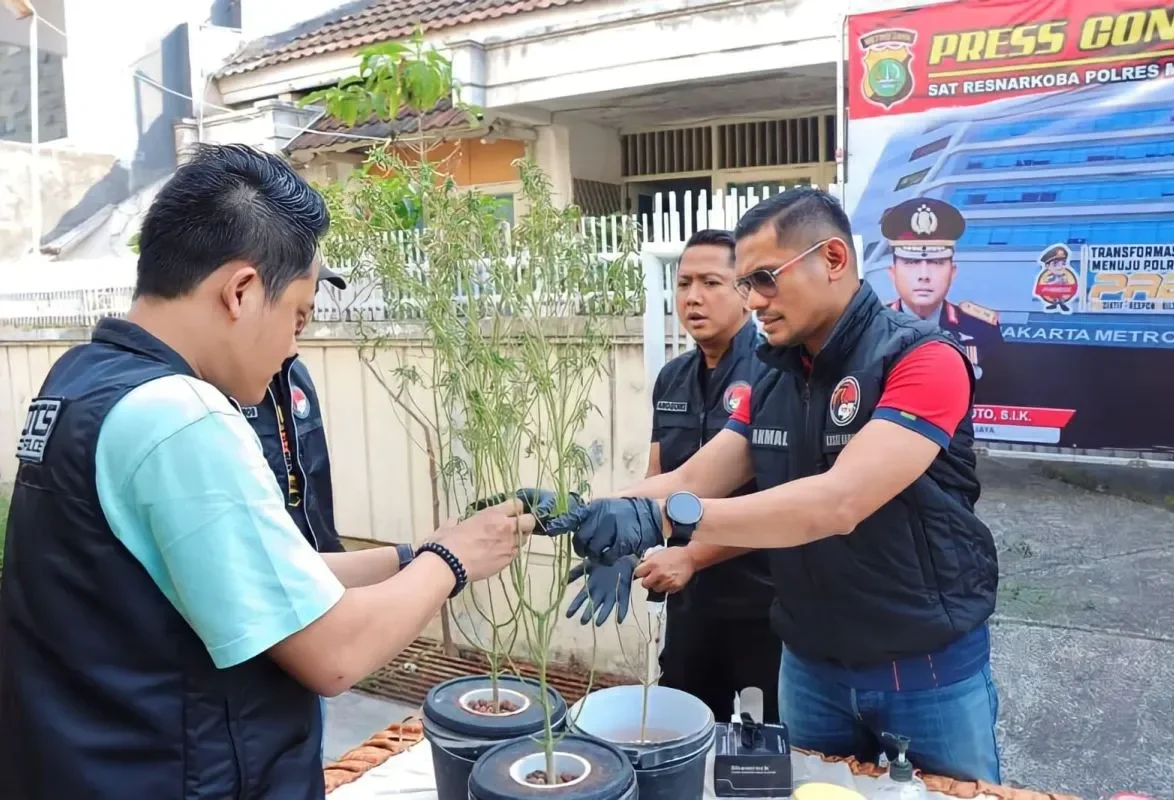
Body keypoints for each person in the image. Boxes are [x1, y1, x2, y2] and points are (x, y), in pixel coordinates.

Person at [0, 143, 536, 799]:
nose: (292, 347)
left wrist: (409, 554)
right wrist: (449, 564)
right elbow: (333, 654)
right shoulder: (179, 416)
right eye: (298, 316)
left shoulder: (84, 380)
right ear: (243, 290)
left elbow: (259, 578)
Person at [547, 187, 1001, 783]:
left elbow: (839, 502)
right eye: (745, 284)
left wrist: (666, 520)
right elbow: (691, 477)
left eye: (764, 278)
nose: (754, 300)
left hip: (922, 669)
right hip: (809, 667)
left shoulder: (921, 358)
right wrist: (580, 512)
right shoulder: (772, 378)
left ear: (833, 259)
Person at [567, 229, 780, 724]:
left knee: (758, 749)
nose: (693, 297)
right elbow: (661, 473)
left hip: (758, 605)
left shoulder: (774, 375)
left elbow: (778, 500)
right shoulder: (673, 376)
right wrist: (620, 543)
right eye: (683, 283)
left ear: (745, 291)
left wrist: (692, 555)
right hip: (688, 603)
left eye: (711, 282)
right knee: (683, 726)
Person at [247, 262, 349, 555]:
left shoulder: (296, 374)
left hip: (319, 562)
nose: (308, 311)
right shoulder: (225, 384)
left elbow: (314, 475)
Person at [881, 197, 1000, 381]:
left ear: (952, 272)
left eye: (936, 262)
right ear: (893, 272)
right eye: (911, 262)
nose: (924, 275)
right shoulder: (873, 327)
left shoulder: (981, 329)